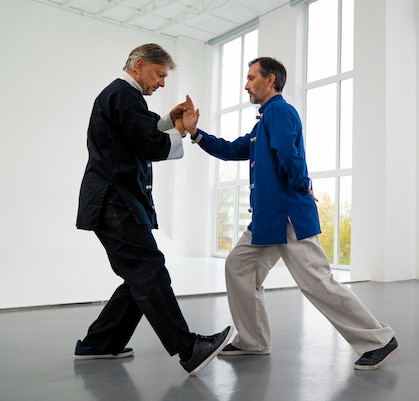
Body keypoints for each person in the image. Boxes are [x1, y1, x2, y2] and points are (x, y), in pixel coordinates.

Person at [187, 57, 398, 370]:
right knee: (238, 267)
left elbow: (288, 153)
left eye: (251, 78)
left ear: (270, 80)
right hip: (267, 220)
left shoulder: (280, 111)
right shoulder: (264, 122)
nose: (246, 85)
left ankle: (379, 339)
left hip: (286, 216)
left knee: (317, 283)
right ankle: (253, 340)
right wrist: (196, 133)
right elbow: (232, 149)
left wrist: (303, 185)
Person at [75, 43, 232, 376]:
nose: (162, 83)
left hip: (111, 199)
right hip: (114, 199)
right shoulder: (123, 95)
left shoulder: (123, 97)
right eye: (159, 74)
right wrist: (178, 130)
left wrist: (170, 120)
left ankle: (99, 344)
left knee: (138, 276)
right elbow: (149, 144)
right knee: (148, 271)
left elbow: (140, 130)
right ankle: (189, 349)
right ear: (140, 65)